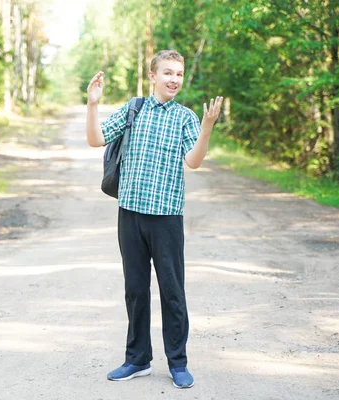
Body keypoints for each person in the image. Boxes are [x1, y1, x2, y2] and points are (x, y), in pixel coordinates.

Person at [85, 49, 223, 389]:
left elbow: (194, 162)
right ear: (153, 75)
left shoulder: (186, 118)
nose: (174, 78)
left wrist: (206, 128)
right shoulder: (135, 109)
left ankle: (178, 362)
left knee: (172, 291)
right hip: (130, 214)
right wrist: (92, 104)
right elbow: (95, 139)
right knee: (135, 290)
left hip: (166, 219)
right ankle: (137, 359)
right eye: (167, 72)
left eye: (178, 73)